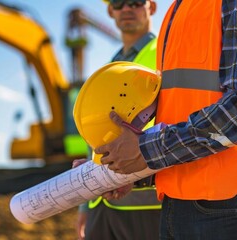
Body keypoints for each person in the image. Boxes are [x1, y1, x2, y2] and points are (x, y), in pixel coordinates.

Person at [95, 0, 237, 239]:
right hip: (177, 199)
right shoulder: (178, 9)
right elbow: (178, 114)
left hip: (230, 204)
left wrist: (147, 151)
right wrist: (134, 169)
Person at [75, 0, 161, 239]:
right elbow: (94, 135)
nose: (126, 9)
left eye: (135, 2)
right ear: (110, 11)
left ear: (151, 7)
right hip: (101, 204)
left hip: (145, 202)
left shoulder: (164, 53)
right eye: (119, 3)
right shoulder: (108, 67)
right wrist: (85, 204)